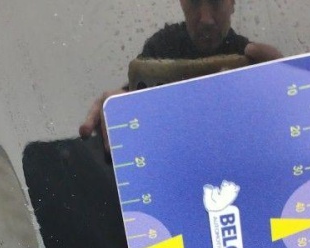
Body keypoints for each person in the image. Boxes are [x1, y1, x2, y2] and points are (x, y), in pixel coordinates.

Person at [79, 0, 282, 142]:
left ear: (232, 3)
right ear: (182, 3)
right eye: (194, 1)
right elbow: (140, 95)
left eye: (216, 1)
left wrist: (288, 89)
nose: (206, 19)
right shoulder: (160, 47)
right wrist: (118, 102)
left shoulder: (255, 63)